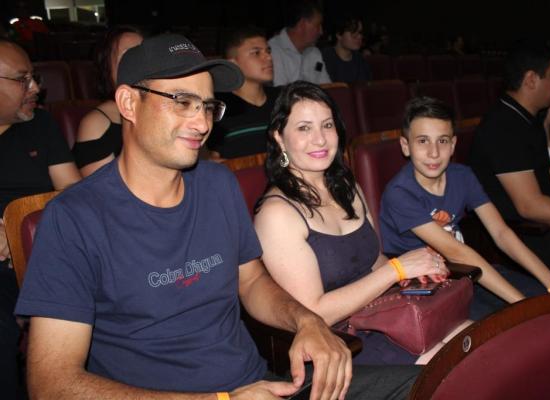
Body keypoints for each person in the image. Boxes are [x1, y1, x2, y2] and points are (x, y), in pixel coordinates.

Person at [15, 34, 420, 399]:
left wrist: (307, 321)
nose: (202, 122)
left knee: (427, 383)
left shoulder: (217, 184)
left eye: (208, 106)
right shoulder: (73, 219)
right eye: (182, 102)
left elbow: (252, 281)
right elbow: (51, 384)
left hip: (261, 385)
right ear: (128, 103)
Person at [254, 81, 448, 366]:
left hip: (381, 312)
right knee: (452, 362)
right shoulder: (277, 215)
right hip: (340, 342)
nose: (320, 140)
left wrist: (418, 274)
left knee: (472, 337)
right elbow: (314, 313)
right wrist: (397, 269)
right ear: (280, 137)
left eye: (327, 125)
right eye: (304, 128)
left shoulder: (347, 187)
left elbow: (374, 260)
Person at [379, 96, 550, 307]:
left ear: (453, 144)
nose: (434, 153)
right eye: (423, 141)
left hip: (464, 271)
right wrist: (522, 305)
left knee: (544, 297)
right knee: (520, 315)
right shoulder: (399, 193)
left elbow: (501, 233)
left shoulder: (463, 176)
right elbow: (456, 252)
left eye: (442, 141)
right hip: (423, 288)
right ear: (405, 146)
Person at [468, 40, 550, 274]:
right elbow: (531, 206)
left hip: (544, 225)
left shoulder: (530, 120)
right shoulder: (503, 126)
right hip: (524, 238)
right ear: (531, 79)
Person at [0, 38, 80, 399]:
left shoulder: (41, 125)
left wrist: (16, 226)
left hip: (45, 256)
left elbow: (74, 195)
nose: (35, 88)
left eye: (34, 77)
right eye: (22, 80)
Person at [73, 26, 143, 177]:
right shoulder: (95, 124)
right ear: (107, 67)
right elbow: (101, 188)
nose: (140, 64)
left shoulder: (164, 109)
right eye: (128, 56)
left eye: (144, 55)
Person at [206, 26, 280, 160]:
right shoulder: (221, 110)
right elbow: (214, 159)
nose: (268, 57)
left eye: (268, 51)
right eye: (256, 53)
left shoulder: (283, 100)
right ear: (233, 64)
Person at [269, 0, 331, 86]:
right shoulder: (272, 51)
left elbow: (327, 87)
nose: (321, 32)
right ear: (302, 24)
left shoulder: (315, 53)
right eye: (317, 25)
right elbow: (281, 92)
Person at [321, 16, 372, 84]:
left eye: (360, 32)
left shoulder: (360, 60)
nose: (359, 37)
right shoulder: (324, 58)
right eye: (353, 33)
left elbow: (368, 85)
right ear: (339, 35)